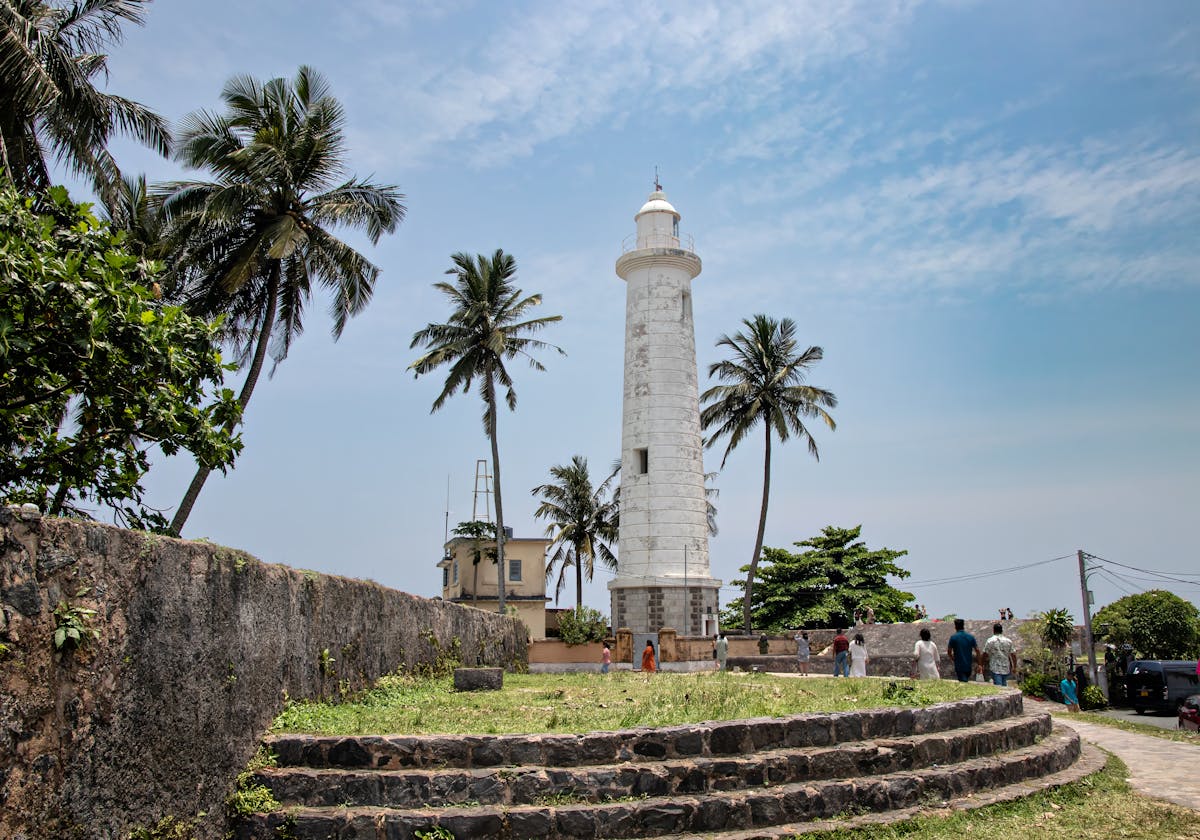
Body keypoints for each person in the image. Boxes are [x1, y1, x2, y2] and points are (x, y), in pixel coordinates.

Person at [946, 618, 979, 683]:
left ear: (955, 626)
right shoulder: (970, 637)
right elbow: (977, 650)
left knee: (963, 682)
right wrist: (979, 663)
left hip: (959, 666)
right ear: (963, 626)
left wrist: (953, 659)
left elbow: (949, 651)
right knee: (965, 680)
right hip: (968, 665)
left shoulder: (953, 637)